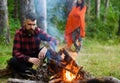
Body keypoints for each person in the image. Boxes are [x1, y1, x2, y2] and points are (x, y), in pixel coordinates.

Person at [8, 13, 58, 78]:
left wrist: (46, 47)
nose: (32, 27)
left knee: (49, 51)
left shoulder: (38, 31)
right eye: (29, 24)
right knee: (13, 61)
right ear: (25, 22)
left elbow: (54, 40)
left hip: (35, 55)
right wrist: (28, 59)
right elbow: (15, 53)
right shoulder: (19, 33)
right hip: (24, 60)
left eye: (34, 24)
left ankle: (50, 71)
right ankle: (33, 72)